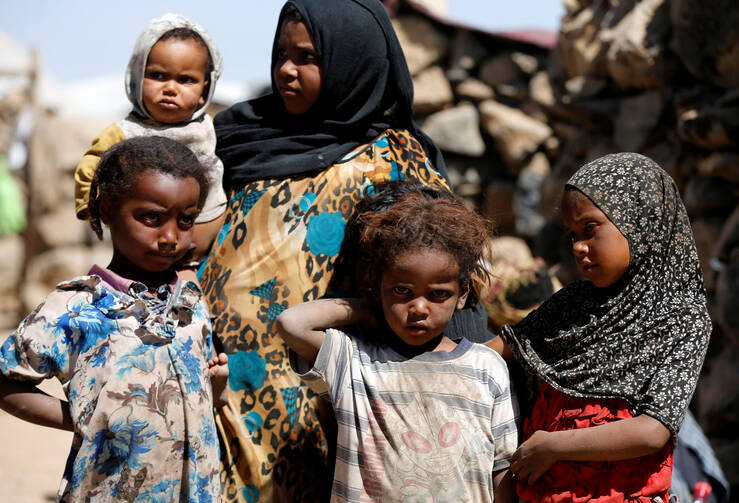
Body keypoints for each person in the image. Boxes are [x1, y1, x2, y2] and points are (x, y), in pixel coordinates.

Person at [199, 1, 449, 500]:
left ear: (351, 62)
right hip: (216, 388)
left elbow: (435, 279)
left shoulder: (394, 163)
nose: (286, 70)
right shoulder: (240, 136)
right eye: (281, 53)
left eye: (308, 57)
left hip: (312, 401)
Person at [0, 136, 229, 501]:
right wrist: (83, 417)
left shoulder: (190, 300)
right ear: (106, 210)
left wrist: (215, 385)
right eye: (151, 218)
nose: (171, 236)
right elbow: (6, 380)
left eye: (185, 220)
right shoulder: (75, 308)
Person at [490, 153, 711, 502]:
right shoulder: (573, 303)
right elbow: (497, 353)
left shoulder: (681, 318)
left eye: (590, 229)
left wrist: (554, 446)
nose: (578, 247)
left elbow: (653, 430)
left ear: (639, 222)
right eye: (572, 235)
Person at [276, 192, 519, 502]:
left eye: (438, 294)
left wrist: (388, 300)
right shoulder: (354, 362)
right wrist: (368, 310)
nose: (418, 307)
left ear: (462, 295)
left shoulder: (487, 367)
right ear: (377, 287)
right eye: (402, 291)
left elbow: (501, 468)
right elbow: (292, 324)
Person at [74, 13, 227, 263]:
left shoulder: (208, 127)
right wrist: (90, 204)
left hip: (206, 247)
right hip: (151, 249)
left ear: (204, 91)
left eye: (186, 80)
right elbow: (91, 165)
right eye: (157, 75)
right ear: (136, 77)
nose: (170, 88)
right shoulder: (126, 132)